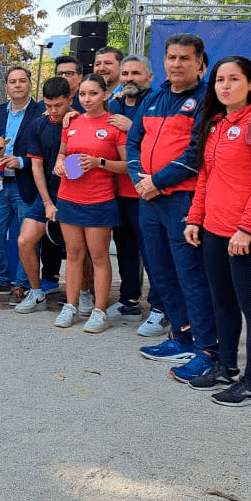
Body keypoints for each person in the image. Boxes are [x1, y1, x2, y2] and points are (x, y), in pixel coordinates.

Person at [183, 56, 251, 405]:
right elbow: (206, 176)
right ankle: (226, 369)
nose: (225, 86)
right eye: (220, 80)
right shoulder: (216, 125)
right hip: (214, 230)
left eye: (234, 79)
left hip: (249, 235)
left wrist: (246, 227)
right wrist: (195, 218)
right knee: (221, 303)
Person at [127, 33, 218, 382]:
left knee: (190, 275)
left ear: (200, 64)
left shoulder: (207, 99)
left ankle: (205, 346)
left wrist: (156, 181)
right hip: (148, 199)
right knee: (162, 273)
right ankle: (179, 335)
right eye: (172, 58)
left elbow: (196, 153)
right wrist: (141, 180)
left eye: (184, 58)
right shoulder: (156, 97)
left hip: (182, 198)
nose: (176, 64)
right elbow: (134, 143)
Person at [50, 73, 126, 333]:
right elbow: (62, 153)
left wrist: (99, 163)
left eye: (93, 93)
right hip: (69, 197)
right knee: (73, 255)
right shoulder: (71, 122)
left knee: (99, 257)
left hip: (100, 200)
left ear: (105, 95)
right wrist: (60, 164)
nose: (87, 99)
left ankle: (99, 310)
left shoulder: (115, 125)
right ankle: (71, 306)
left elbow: (128, 166)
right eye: (82, 94)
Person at [0, 65, 43, 298]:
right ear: (6, 86)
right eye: (12, 81)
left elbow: (46, 148)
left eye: (22, 81)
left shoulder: (41, 111)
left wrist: (23, 161)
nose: (17, 85)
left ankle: (23, 283)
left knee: (27, 238)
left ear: (29, 83)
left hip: (26, 183)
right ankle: (0, 278)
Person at [106, 55, 161, 332]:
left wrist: (134, 128)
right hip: (118, 191)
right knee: (126, 250)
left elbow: (166, 140)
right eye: (125, 73)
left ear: (149, 78)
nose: (129, 78)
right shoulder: (114, 103)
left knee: (152, 252)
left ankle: (161, 307)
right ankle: (129, 301)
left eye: (136, 73)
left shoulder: (157, 102)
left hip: (146, 192)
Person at [13, 77, 72, 314]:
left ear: (69, 100)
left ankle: (84, 295)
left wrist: (69, 170)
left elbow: (85, 162)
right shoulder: (37, 125)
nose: (53, 111)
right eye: (48, 105)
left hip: (76, 195)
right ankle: (36, 293)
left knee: (80, 250)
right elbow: (36, 166)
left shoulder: (79, 122)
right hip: (47, 195)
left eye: (58, 105)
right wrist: (47, 201)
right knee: (24, 240)